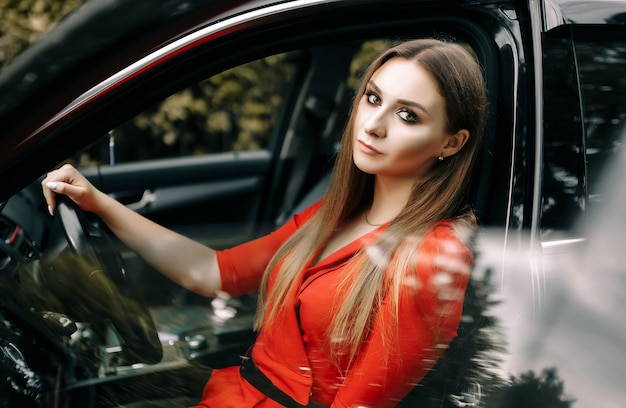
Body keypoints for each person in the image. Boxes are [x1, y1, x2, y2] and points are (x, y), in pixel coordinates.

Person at [42, 38, 488, 407]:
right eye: (373, 98)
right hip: (231, 391)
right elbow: (216, 272)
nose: (372, 124)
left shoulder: (433, 256)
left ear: (450, 143)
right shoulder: (335, 215)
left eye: (407, 115)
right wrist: (97, 201)